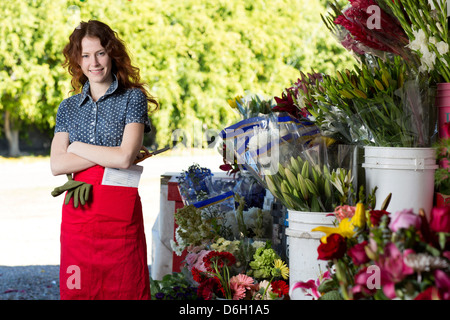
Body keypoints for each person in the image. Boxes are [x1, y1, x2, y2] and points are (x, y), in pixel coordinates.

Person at [50, 20, 158, 300]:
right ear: (77, 61)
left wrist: (76, 146)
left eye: (100, 53)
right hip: (79, 214)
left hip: (119, 212)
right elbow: (57, 165)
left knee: (126, 286)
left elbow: (123, 158)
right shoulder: (68, 107)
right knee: (78, 289)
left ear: (112, 54)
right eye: (85, 55)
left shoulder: (132, 98)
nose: (93, 62)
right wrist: (102, 155)